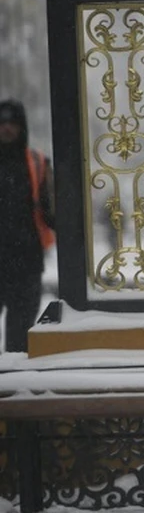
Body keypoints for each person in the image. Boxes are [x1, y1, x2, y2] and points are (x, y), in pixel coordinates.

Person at [0, 100, 55, 353]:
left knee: (21, 334)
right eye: (2, 123)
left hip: (27, 257)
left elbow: (51, 210)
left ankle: (16, 382)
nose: (7, 129)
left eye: (13, 123)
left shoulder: (38, 162)